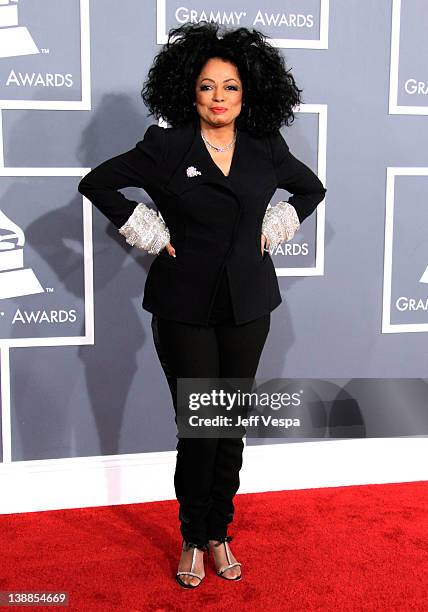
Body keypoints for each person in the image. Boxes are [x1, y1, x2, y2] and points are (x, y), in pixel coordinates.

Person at [78, 21, 326, 588]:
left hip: (249, 308)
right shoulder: (165, 146)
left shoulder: (267, 147)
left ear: (249, 92)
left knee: (228, 424)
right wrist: (144, 227)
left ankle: (220, 533)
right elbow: (98, 183)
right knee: (198, 426)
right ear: (189, 91)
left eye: (231, 86)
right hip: (183, 307)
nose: (219, 98)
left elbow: (310, 190)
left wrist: (275, 225)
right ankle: (192, 536)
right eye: (208, 86)